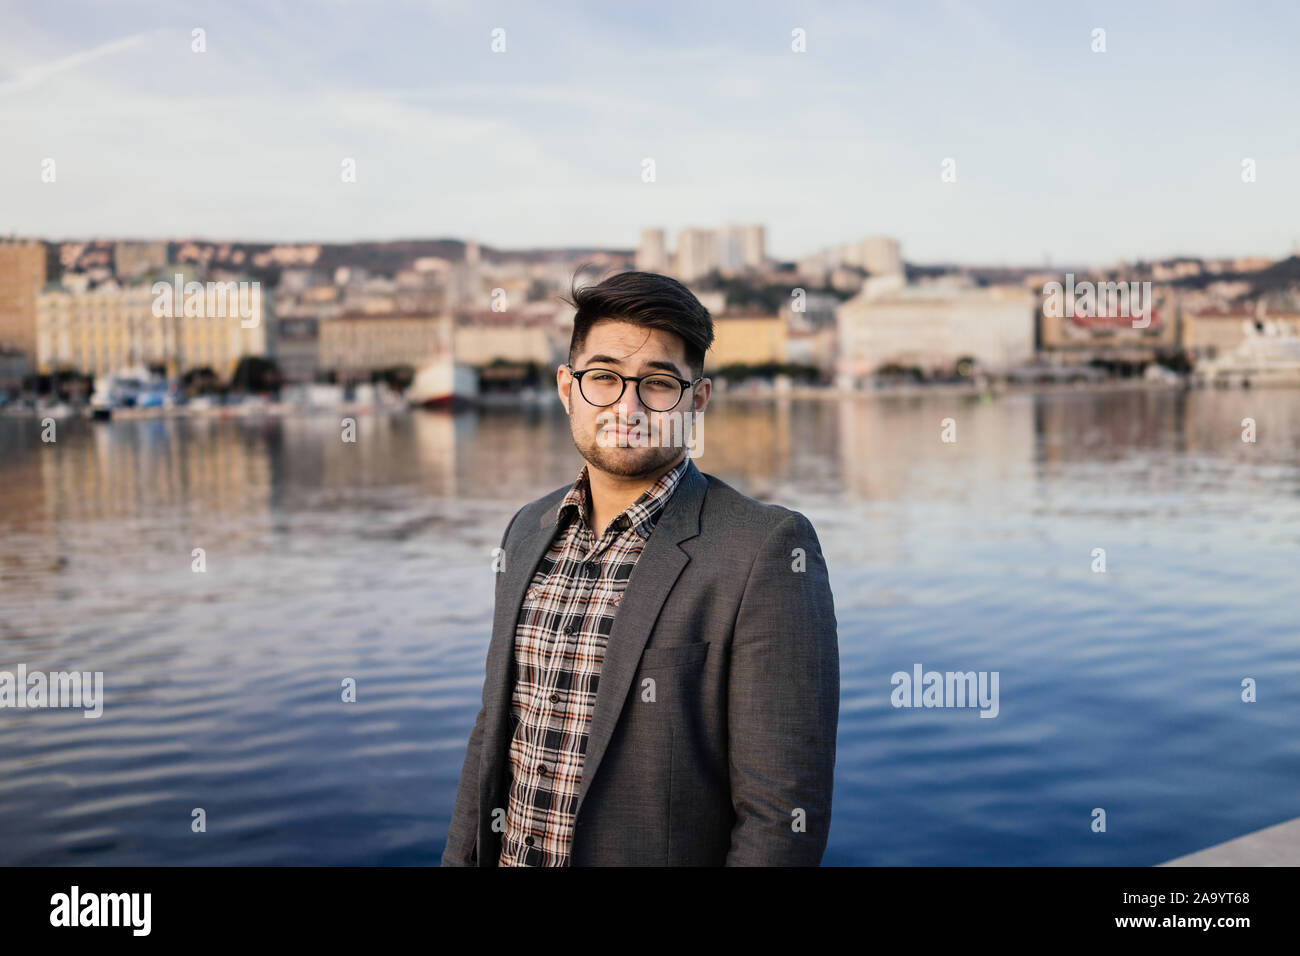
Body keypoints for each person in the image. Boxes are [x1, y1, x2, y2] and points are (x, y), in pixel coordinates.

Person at [441, 270, 839, 866]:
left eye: (657, 383)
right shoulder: (526, 531)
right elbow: (492, 738)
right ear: (567, 387)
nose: (626, 405)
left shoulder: (766, 550)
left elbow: (781, 816)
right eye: (603, 377)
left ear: (696, 400)